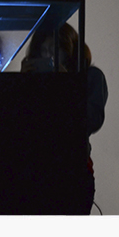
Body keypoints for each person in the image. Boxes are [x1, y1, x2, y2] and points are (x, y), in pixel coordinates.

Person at [21, 23, 108, 213]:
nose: (48, 56)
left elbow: (92, 120)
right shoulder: (37, 82)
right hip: (34, 170)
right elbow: (19, 123)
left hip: (72, 172)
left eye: (54, 50)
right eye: (43, 51)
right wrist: (21, 84)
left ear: (69, 51)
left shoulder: (91, 76)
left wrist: (65, 85)